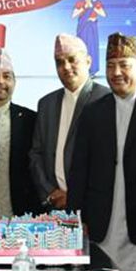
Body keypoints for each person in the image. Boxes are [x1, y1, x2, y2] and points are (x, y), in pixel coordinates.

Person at [68, 33, 136, 271]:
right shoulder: (92, 112)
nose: (117, 72)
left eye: (124, 64)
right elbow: (79, 170)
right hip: (101, 225)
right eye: (111, 66)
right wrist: (77, 218)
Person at [29, 34, 110, 211]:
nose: (66, 67)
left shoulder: (106, 99)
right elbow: (36, 154)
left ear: (88, 61)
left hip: (93, 208)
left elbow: (108, 161)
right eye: (59, 62)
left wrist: (75, 197)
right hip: (54, 205)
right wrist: (50, 192)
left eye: (72, 60)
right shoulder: (46, 103)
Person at [0, 48, 40, 217]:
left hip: (22, 213)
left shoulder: (31, 120)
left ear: (14, 83)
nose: (0, 81)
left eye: (7, 76)